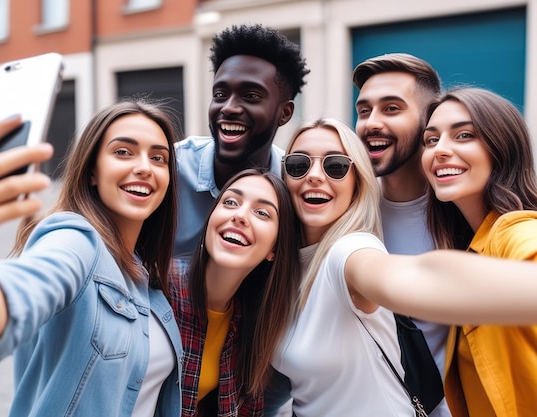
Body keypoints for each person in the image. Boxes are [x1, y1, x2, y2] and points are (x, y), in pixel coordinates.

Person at [0, 100, 183, 417]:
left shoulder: (145, 275)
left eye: (158, 158)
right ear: (92, 171)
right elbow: (18, 295)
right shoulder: (75, 239)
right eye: (123, 152)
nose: (144, 167)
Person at [266, 117, 537, 417]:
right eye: (298, 165)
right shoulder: (282, 269)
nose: (315, 176)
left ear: (358, 182)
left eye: (336, 166)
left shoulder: (348, 252)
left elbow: (413, 278)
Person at [421, 87, 537, 417]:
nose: (440, 150)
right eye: (431, 140)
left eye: (464, 135)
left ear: (502, 147)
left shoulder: (515, 230)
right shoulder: (473, 246)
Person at [352, 53, 450, 416]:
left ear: (428, 121)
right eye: (364, 111)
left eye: (391, 109)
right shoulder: (345, 213)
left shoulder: (465, 212)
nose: (371, 123)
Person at [170, 168, 301, 416]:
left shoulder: (251, 327)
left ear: (274, 249)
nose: (240, 216)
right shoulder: (158, 288)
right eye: (230, 202)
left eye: (262, 213)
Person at [174, 23, 310, 256]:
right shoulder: (171, 167)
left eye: (250, 96)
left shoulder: (295, 185)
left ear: (285, 113)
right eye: (220, 95)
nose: (229, 107)